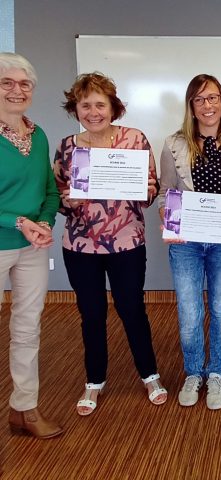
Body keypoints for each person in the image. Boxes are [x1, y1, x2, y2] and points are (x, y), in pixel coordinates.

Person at [53, 72, 166, 416]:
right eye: (85, 105)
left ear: (113, 107)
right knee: (91, 314)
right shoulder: (67, 147)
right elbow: (56, 194)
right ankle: (94, 380)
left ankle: (150, 374)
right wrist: (66, 201)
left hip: (126, 242)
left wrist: (148, 191)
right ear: (76, 109)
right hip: (80, 246)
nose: (93, 111)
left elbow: (151, 187)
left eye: (100, 104)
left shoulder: (135, 139)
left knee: (132, 308)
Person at [160, 74, 221, 410]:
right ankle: (193, 372)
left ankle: (216, 373)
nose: (207, 105)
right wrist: (166, 216)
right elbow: (165, 193)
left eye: (213, 98)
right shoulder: (174, 144)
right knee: (189, 312)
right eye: (200, 100)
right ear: (191, 106)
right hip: (186, 242)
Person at [0, 52, 62, 438]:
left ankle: (24, 408)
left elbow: (50, 192)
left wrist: (44, 221)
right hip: (4, 239)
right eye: (7, 82)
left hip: (31, 247)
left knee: (27, 328)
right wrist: (17, 222)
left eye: (25, 83)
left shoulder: (37, 134)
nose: (17, 90)